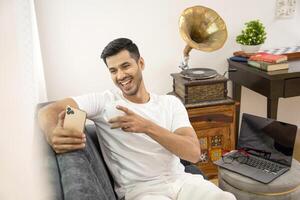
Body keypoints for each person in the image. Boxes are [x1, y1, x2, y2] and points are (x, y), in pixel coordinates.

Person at [38, 38, 236, 200]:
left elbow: (193, 153)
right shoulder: (104, 102)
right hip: (142, 191)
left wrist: (146, 126)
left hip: (182, 181)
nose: (121, 75)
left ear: (141, 63)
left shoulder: (170, 103)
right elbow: (48, 110)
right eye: (113, 70)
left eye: (125, 66)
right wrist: (50, 132)